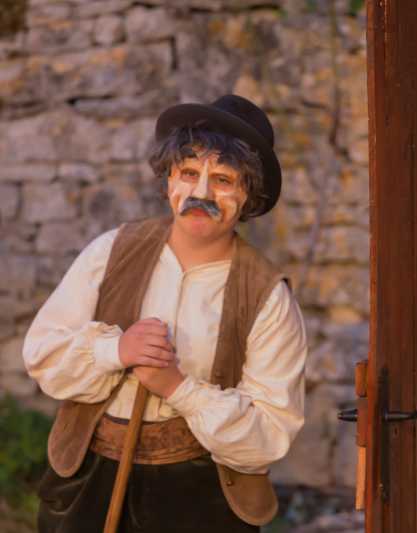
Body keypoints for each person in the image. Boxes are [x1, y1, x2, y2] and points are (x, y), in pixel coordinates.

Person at [23, 94, 307, 533]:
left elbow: (270, 432)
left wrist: (178, 387)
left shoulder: (267, 296)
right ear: (169, 178)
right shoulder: (111, 252)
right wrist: (116, 350)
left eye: (224, 180)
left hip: (199, 496)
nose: (201, 193)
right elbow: (43, 354)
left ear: (248, 195)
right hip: (90, 481)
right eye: (189, 173)